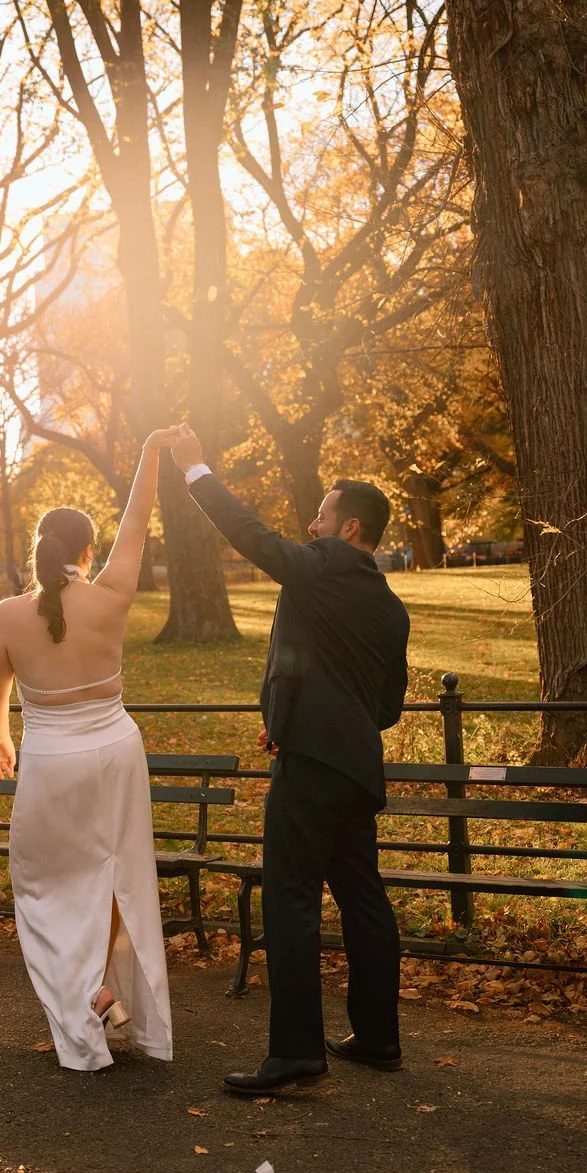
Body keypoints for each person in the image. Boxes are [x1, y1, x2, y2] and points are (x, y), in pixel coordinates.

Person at [169, 424, 410, 1096]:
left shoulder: (319, 568)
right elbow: (388, 705)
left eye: (322, 514)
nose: (310, 524)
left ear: (350, 526)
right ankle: (379, 1036)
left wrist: (195, 467)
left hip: (309, 768)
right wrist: (299, 715)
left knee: (292, 899)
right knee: (364, 899)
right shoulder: (390, 609)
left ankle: (298, 1052)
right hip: (357, 768)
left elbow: (249, 534)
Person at [0, 428, 181, 1072]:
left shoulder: (8, 615)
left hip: (51, 761)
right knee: (118, 876)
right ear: (87, 549)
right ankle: (102, 987)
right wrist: (149, 454)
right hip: (117, 754)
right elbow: (138, 521)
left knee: (44, 886)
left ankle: (87, 992)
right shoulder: (111, 596)